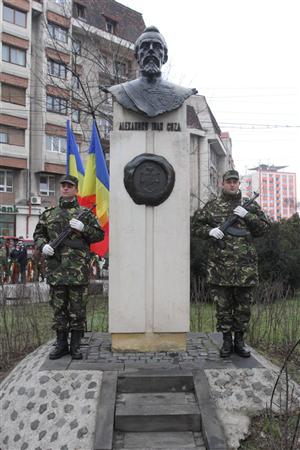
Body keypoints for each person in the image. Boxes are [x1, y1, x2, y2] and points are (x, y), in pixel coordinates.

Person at [191, 169, 270, 358]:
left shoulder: (250, 206)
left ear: (239, 184)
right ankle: (226, 341)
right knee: (223, 307)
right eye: (229, 181)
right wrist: (210, 232)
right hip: (220, 267)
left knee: (243, 307)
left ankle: (240, 342)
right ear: (222, 183)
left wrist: (247, 215)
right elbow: (196, 227)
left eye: (235, 181)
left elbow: (264, 229)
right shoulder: (212, 206)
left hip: (246, 268)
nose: (232, 184)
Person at [33, 175, 104, 360]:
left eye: (69, 186)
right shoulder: (48, 214)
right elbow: (38, 234)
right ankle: (61, 344)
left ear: (76, 190)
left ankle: (76, 345)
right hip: (56, 270)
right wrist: (43, 246)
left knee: (78, 309)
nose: (65, 188)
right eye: (63, 185)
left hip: (77, 271)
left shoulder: (85, 214)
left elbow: (99, 235)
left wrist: (83, 228)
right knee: (58, 308)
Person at [108, 26, 197, 117]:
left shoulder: (180, 93)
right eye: (145, 46)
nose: (151, 49)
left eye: (157, 46)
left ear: (165, 58)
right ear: (137, 56)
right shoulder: (120, 90)